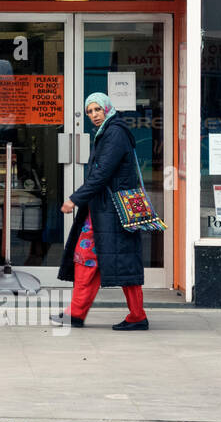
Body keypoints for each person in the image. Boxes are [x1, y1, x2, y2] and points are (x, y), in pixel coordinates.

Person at [53, 92, 149, 331]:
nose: (94, 115)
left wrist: (75, 199)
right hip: (103, 209)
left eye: (97, 109)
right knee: (87, 257)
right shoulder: (107, 131)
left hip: (113, 210)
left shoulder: (114, 132)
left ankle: (137, 316)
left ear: (107, 108)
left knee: (120, 260)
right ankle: (76, 312)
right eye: (89, 111)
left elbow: (102, 173)